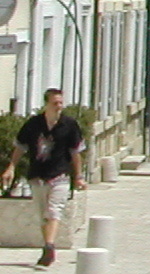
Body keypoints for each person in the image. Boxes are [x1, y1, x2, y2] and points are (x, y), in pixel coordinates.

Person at [2, 89, 86, 268]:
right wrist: (11, 167)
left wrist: (78, 176)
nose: (59, 107)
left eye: (61, 103)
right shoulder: (33, 124)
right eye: (55, 103)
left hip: (60, 175)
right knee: (43, 216)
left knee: (54, 211)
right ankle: (47, 244)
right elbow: (20, 147)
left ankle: (49, 245)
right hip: (37, 175)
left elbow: (76, 152)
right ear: (46, 104)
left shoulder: (69, 125)